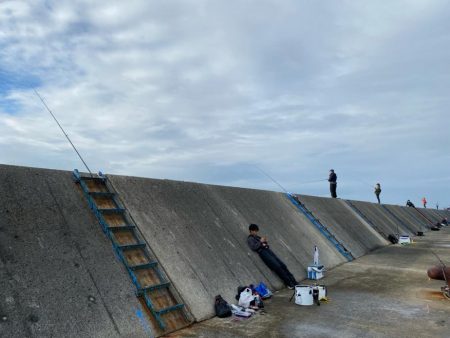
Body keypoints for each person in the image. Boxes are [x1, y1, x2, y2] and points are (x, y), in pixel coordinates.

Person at [247, 223, 297, 289]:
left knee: (282, 265)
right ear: (251, 231)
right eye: (255, 231)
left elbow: (263, 244)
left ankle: (294, 282)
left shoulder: (257, 237)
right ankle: (289, 283)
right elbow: (253, 247)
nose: (256, 232)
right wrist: (261, 242)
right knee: (278, 267)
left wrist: (264, 242)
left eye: (256, 231)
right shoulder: (250, 239)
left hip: (268, 251)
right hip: (263, 253)